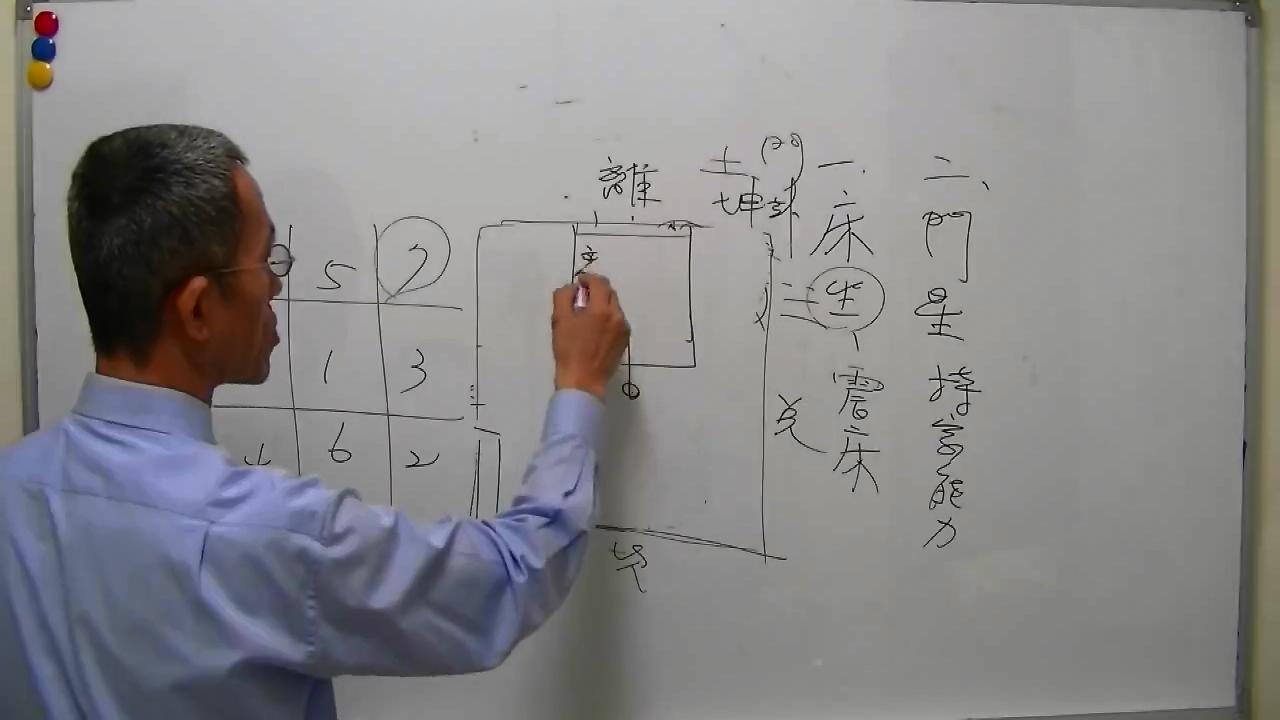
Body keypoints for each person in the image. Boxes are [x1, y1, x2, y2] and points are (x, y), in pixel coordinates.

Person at [0, 125, 630, 719]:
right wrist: (579, 385)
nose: (276, 283)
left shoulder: (13, 486)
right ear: (197, 310)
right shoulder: (267, 536)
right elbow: (508, 577)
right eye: (264, 260)